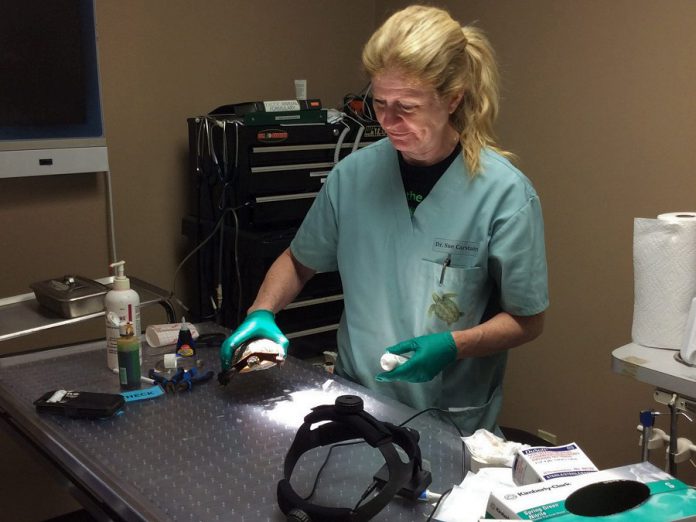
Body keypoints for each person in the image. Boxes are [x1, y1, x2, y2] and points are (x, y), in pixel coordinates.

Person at [220, 4, 548, 434]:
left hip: (451, 421)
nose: (388, 122)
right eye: (379, 103)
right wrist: (262, 311)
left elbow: (527, 319)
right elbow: (300, 261)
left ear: (453, 98)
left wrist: (453, 346)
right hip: (358, 404)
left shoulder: (504, 194)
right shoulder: (354, 176)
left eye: (407, 108)